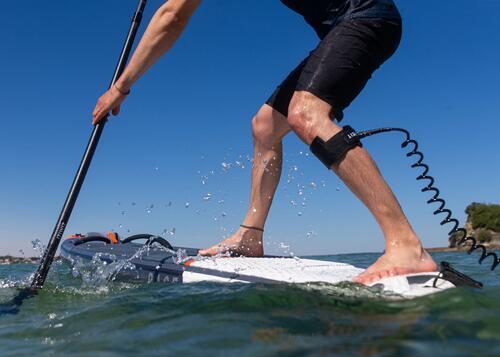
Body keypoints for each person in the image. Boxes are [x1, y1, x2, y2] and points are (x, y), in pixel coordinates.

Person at [93, 0, 437, 285]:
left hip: (368, 16)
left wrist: (121, 87)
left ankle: (406, 244)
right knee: (264, 127)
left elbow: (172, 16)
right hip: (344, 26)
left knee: (306, 113)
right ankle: (250, 236)